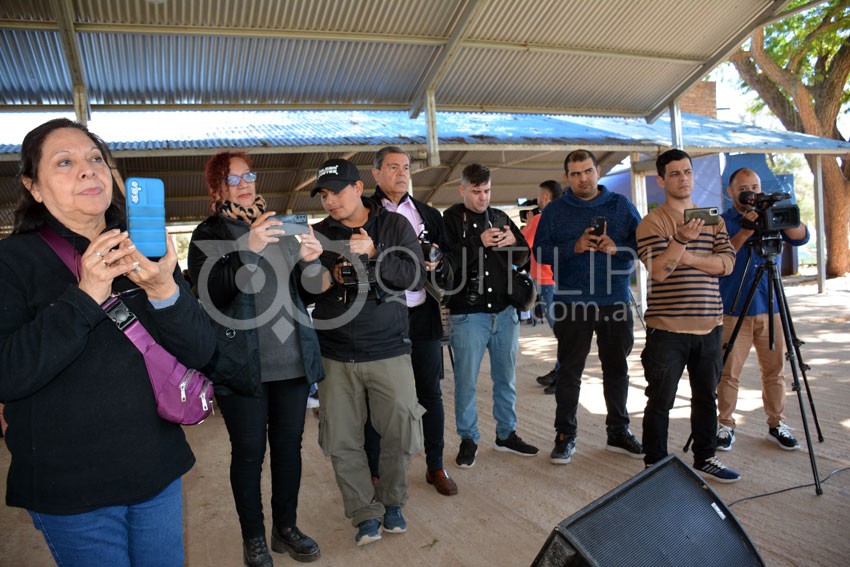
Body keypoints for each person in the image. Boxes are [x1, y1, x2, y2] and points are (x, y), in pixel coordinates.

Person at [0, 118, 215, 565]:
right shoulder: (13, 261)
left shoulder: (146, 249)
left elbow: (200, 352)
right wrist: (85, 296)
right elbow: (8, 373)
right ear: (33, 186)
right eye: (65, 162)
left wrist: (164, 292)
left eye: (96, 158)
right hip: (71, 483)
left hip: (155, 468)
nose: (87, 169)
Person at [188, 151, 324, 567]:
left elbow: (312, 290)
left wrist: (313, 262)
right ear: (217, 188)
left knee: (289, 448)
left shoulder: (281, 226)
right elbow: (211, 293)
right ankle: (254, 538)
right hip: (241, 364)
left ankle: (285, 528)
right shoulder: (206, 233)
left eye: (249, 175)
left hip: (291, 360)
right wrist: (246, 247)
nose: (245, 183)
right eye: (233, 179)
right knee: (248, 453)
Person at [308, 158, 426, 546]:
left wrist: (375, 252)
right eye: (323, 195)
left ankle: (392, 502)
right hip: (335, 353)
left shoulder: (393, 225)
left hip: (388, 349)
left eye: (337, 192)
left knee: (400, 431)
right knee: (342, 440)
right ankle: (364, 513)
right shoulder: (318, 234)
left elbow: (410, 276)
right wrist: (314, 266)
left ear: (358, 189)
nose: (330, 202)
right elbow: (307, 289)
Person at [636, 148, 740, 483]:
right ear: (661, 180)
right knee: (660, 400)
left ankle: (705, 457)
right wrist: (680, 240)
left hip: (710, 325)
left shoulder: (715, 219)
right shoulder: (652, 222)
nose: (683, 179)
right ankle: (654, 464)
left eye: (688, 172)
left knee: (705, 397)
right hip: (667, 329)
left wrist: (688, 257)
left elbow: (727, 264)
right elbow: (659, 272)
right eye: (676, 173)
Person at [535, 150, 643, 465]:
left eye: (588, 171)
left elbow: (641, 248)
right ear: (567, 177)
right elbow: (540, 253)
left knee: (617, 370)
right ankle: (565, 436)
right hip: (571, 302)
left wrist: (616, 248)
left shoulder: (621, 205)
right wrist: (575, 247)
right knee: (569, 373)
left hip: (616, 301)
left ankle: (618, 433)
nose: (583, 178)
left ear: (598, 171)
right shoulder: (555, 210)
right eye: (576, 173)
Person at [367, 146, 459, 496]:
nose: (402, 173)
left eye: (405, 167)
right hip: (381, 316)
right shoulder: (367, 213)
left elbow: (450, 258)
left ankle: (435, 466)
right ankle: (375, 472)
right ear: (376, 174)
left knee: (430, 393)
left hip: (422, 312)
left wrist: (440, 264)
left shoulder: (428, 214)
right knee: (379, 398)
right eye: (393, 167)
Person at [443, 163, 539, 468]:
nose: (482, 197)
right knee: (466, 382)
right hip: (468, 315)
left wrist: (515, 244)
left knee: (506, 378)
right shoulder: (449, 220)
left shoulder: (499, 217)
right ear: (463, 190)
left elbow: (524, 260)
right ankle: (468, 438)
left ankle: (506, 434)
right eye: (476, 191)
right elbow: (445, 265)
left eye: (486, 190)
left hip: (505, 312)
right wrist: (477, 242)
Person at [716, 168, 809, 452]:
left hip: (772, 307)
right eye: (743, 187)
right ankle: (724, 425)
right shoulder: (722, 222)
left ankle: (776, 423)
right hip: (734, 309)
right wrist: (746, 230)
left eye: (755, 186)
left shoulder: (770, 213)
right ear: (730, 192)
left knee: (775, 370)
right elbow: (720, 257)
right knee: (728, 372)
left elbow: (801, 236)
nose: (751, 191)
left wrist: (777, 214)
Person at [521, 180, 563, 394]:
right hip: (556, 279)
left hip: (547, 281)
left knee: (560, 330)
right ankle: (559, 370)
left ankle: (564, 374)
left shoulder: (540, 218)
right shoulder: (561, 216)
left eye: (539, 196)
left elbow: (522, 244)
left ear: (545, 197)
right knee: (561, 329)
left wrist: (529, 223)